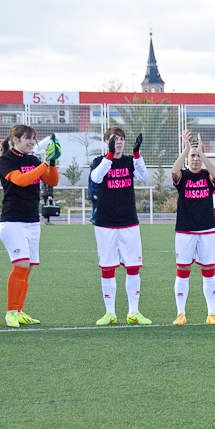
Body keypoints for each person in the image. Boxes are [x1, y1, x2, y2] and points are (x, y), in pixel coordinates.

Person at [0, 124, 59, 327]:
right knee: (21, 265)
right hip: (12, 221)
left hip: (32, 221)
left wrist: (52, 162)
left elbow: (52, 180)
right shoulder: (6, 160)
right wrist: (43, 165)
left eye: (34, 138)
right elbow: (21, 180)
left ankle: (19, 310)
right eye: (27, 138)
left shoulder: (33, 160)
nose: (32, 142)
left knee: (28, 268)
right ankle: (10, 312)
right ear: (15, 140)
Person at [90, 127, 151, 326]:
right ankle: (110, 313)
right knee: (107, 267)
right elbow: (96, 177)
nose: (119, 142)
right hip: (105, 224)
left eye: (122, 139)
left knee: (133, 266)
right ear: (106, 141)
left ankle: (134, 312)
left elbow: (143, 177)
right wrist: (109, 156)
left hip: (129, 222)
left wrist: (137, 154)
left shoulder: (129, 161)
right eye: (115, 139)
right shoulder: (100, 161)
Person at [171, 130, 215, 325]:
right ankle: (181, 313)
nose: (195, 159)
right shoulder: (182, 176)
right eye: (193, 156)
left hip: (207, 229)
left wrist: (203, 154)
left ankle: (211, 314)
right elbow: (174, 172)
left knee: (209, 271)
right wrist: (186, 149)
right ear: (187, 159)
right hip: (184, 230)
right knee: (182, 270)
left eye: (197, 156)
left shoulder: (207, 177)